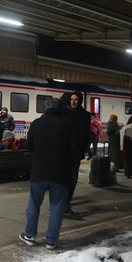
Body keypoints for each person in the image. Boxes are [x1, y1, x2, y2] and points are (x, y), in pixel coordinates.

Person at [19, 98, 77, 250]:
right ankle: (51, 241)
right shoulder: (69, 125)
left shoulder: (37, 123)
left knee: (34, 204)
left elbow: (29, 145)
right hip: (60, 173)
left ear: (46, 108)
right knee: (57, 207)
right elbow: (74, 151)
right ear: (61, 109)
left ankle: (30, 235)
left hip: (39, 171)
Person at [60, 91, 90, 220]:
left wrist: (84, 150)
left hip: (76, 152)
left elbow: (86, 134)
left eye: (76, 99)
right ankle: (64, 206)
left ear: (80, 101)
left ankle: (64, 204)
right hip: (64, 150)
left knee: (72, 179)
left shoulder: (85, 115)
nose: (73, 102)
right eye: (72, 99)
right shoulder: (64, 112)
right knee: (65, 179)